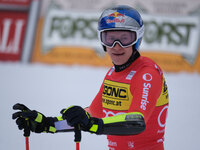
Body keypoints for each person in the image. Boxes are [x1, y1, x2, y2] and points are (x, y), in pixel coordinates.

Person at [12, 5, 169, 150]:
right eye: (109, 38)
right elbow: (92, 114)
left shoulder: (147, 74)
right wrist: (48, 124)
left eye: (125, 38)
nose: (116, 45)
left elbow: (136, 121)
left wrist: (92, 124)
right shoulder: (112, 75)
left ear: (137, 39)